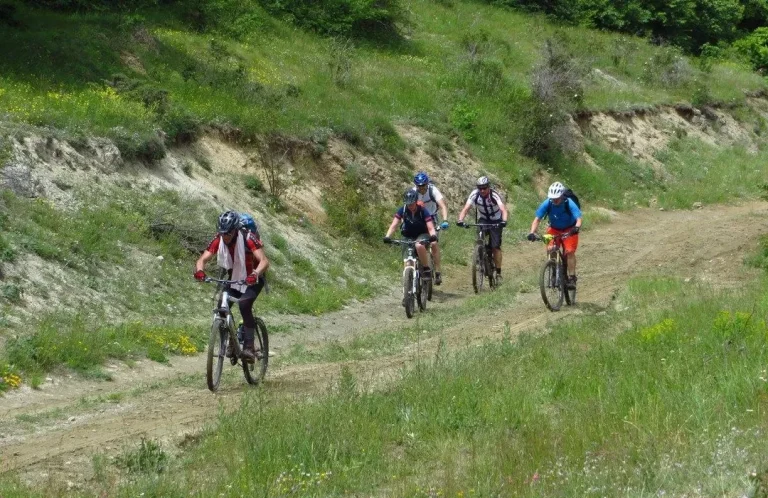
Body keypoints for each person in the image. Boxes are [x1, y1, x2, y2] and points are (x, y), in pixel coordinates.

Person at [194, 210, 269, 362]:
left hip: (253, 279)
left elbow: (264, 261)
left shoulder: (248, 237)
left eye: (228, 233)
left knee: (244, 304)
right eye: (222, 233)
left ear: (235, 230)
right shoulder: (219, 239)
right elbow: (202, 259)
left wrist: (255, 274)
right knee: (222, 304)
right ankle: (231, 342)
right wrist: (200, 271)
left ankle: (249, 347)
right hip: (234, 279)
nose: (225, 236)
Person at [527, 182, 582, 288]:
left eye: (556, 198)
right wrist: (532, 232)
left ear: (561, 195)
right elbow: (537, 219)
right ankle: (553, 270)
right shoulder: (547, 203)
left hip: (569, 229)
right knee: (550, 248)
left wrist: (576, 228)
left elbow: (578, 219)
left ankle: (571, 278)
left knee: (569, 251)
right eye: (552, 198)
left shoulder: (569, 202)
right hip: (554, 229)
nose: (554, 200)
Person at [456, 176, 508, 282]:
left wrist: (504, 221)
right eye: (480, 188)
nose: (482, 190)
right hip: (483, 219)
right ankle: (480, 256)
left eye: (484, 188)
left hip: (496, 221)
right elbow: (466, 208)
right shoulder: (474, 194)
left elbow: (503, 209)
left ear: (488, 187)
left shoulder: (494, 195)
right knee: (479, 239)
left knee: (495, 247)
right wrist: (460, 220)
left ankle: (498, 273)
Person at [383, 189, 439, 283]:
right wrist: (387, 236)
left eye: (412, 203)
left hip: (422, 234)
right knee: (407, 260)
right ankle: (408, 283)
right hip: (408, 235)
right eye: (408, 204)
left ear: (416, 201)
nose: (410, 206)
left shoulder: (423, 211)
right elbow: (394, 225)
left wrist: (433, 235)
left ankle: (426, 269)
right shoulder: (403, 210)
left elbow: (430, 227)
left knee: (419, 245)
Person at [412, 171, 450, 285]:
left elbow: (443, 206)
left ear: (427, 184)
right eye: (419, 186)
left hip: (432, 218)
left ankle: (438, 271)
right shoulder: (413, 192)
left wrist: (445, 220)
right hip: (418, 219)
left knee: (433, 243)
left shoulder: (433, 190)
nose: (421, 188)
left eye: (423, 185)